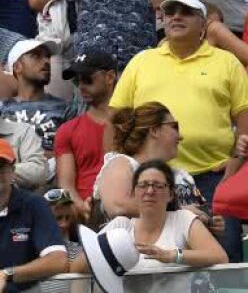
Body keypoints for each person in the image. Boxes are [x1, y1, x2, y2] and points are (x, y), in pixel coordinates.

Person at [109, 0, 248, 236]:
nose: (176, 17)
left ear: (203, 23)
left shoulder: (227, 62)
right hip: (151, 178)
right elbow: (116, 119)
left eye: (186, 12)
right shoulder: (141, 61)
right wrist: (119, 167)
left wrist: (235, 167)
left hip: (214, 179)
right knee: (158, 253)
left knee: (223, 261)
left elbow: (247, 118)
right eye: (170, 12)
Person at [73, 158, 227, 280]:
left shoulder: (182, 219)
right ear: (134, 193)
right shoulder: (121, 226)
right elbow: (76, 267)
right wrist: (103, 254)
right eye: (143, 185)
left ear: (171, 194)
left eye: (158, 186)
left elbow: (219, 257)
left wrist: (172, 255)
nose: (150, 191)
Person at [53, 53, 118, 216]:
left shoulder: (132, 123)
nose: (81, 86)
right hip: (85, 211)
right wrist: (80, 206)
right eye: (77, 81)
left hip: (126, 206)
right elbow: (66, 185)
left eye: (87, 79)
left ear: (110, 77)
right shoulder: (67, 130)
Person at [0, 138, 69, 288]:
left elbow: (58, 260)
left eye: (0, 167)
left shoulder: (34, 205)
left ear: (12, 171)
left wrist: (7, 274)